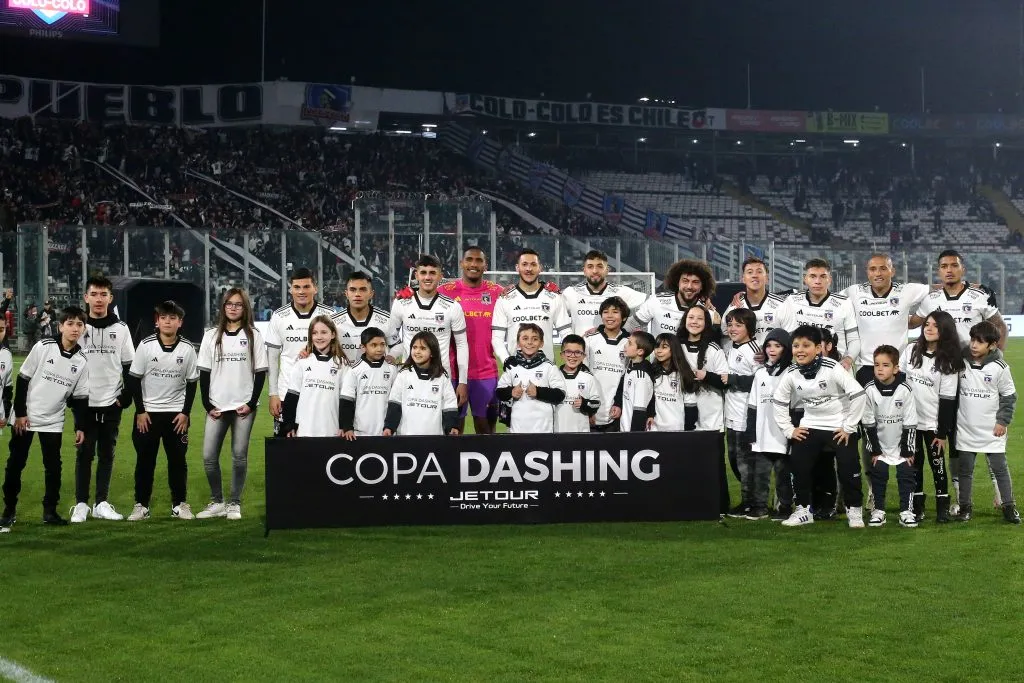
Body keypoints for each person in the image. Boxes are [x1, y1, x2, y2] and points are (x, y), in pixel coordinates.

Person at [0, 307, 90, 529]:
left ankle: (50, 511)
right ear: (60, 326)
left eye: (79, 324)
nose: (75, 328)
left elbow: (80, 398)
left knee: (53, 467)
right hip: (26, 417)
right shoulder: (44, 346)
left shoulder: (81, 360)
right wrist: (20, 413)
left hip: (53, 420)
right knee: (16, 464)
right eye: (70, 323)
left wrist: (80, 426)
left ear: (84, 329)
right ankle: (9, 511)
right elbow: (23, 379)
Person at [772, 325, 867, 528]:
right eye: (796, 345)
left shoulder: (833, 367)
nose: (800, 350)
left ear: (818, 348)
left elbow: (859, 394)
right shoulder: (791, 373)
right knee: (798, 465)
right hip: (811, 424)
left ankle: (854, 510)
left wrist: (849, 427)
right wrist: (789, 430)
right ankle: (803, 510)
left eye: (806, 345)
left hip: (839, 426)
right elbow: (778, 401)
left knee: (848, 468)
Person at [195, 288, 268, 521]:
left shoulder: (254, 335)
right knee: (209, 457)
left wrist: (251, 403)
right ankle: (217, 502)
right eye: (229, 304)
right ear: (223, 306)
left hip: (243, 407)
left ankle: (234, 503)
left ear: (245, 308)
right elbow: (204, 372)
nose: (233, 308)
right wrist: (207, 404)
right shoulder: (211, 335)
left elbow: (260, 372)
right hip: (217, 406)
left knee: (239, 456)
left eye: (238, 304)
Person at [125, 301, 199, 522]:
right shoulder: (146, 346)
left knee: (178, 461)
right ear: (157, 322)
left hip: (176, 415)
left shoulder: (187, 348)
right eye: (164, 318)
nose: (168, 322)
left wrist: (185, 413)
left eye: (173, 318)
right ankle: (141, 505)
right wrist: (140, 411)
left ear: (180, 322)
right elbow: (134, 379)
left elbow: (192, 382)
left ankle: (179, 504)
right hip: (148, 414)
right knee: (145, 461)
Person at [71, 274, 135, 524]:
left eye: (103, 294)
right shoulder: (78, 328)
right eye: (94, 294)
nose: (99, 299)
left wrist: (125, 397)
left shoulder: (121, 329)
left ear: (111, 298)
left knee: (107, 454)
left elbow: (129, 366)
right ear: (86, 297)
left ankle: (101, 503)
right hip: (84, 403)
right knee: (84, 454)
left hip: (111, 402)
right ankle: (81, 504)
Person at [953, 321, 1019, 523]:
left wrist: (1002, 422)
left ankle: (1009, 507)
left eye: (980, 342)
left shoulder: (1000, 367)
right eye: (973, 340)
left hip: (992, 429)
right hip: (965, 427)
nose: (974, 345)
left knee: (1000, 469)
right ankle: (965, 508)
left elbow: (1009, 396)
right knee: (965, 471)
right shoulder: (961, 362)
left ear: (992, 345)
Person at [902, 310, 962, 523]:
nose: (929, 328)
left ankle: (942, 508)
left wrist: (942, 433)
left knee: (938, 465)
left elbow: (947, 400)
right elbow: (900, 382)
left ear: (945, 330)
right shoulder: (911, 350)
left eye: (935, 325)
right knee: (914, 465)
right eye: (927, 324)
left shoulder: (949, 360)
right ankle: (917, 507)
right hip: (910, 422)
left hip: (933, 424)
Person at [438, 246, 505, 434]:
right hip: (452, 372)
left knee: (486, 431)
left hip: (485, 372)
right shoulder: (444, 291)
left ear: (485, 265)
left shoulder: (497, 292)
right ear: (462, 263)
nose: (473, 264)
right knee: (453, 429)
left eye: (478, 260)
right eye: (469, 260)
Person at [390, 255, 469, 409]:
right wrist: (392, 359)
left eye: (432, 273)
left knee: (440, 422)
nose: (427, 277)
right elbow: (390, 337)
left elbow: (461, 344)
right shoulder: (401, 303)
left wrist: (463, 382)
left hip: (440, 378)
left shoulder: (452, 307)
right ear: (416, 275)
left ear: (440, 276)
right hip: (409, 377)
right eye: (423, 272)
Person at [265, 268, 336, 437]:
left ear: (315, 288)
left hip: (320, 394)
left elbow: (337, 351)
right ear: (291, 289)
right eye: (297, 287)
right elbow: (272, 359)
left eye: (306, 286)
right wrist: (273, 394)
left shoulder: (330, 315)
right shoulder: (279, 316)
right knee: (284, 444)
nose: (301, 291)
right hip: (286, 392)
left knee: (317, 443)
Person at [842, 253, 930, 386]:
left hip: (898, 367)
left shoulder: (906, 290)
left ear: (892, 271)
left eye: (883, 268)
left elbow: (937, 290)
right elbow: (832, 302)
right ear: (867, 272)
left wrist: (922, 313)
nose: (878, 273)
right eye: (873, 269)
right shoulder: (854, 292)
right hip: (865, 367)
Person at [862, 345, 919, 528]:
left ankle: (906, 511)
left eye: (885, 365)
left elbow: (910, 422)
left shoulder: (905, 390)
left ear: (895, 369)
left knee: (906, 475)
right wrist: (875, 450)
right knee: (878, 475)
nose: (880, 369)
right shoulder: (869, 390)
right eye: (876, 365)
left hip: (901, 444)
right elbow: (868, 423)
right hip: (880, 446)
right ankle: (878, 511)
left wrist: (907, 450)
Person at [680, 305, 730, 514]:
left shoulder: (714, 349)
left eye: (699, 318)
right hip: (681, 417)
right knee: (684, 465)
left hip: (711, 417)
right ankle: (688, 504)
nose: (694, 321)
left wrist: (705, 376)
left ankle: (720, 506)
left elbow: (724, 381)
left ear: (706, 323)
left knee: (714, 466)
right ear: (684, 320)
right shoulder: (676, 346)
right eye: (691, 317)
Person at [491, 248, 571, 366]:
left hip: (547, 371)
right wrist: (507, 360)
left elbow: (566, 333)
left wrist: (570, 356)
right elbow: (497, 339)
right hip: (516, 370)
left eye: (533, 264)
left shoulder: (554, 298)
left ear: (540, 268)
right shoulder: (504, 299)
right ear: (517, 268)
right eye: (524, 264)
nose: (529, 269)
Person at [745, 328, 793, 521]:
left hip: (783, 435)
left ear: (786, 349)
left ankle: (785, 508)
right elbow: (753, 406)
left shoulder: (791, 373)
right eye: (768, 345)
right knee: (760, 475)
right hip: (763, 435)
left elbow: (796, 407)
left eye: (777, 346)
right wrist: (751, 433)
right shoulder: (760, 374)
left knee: (783, 476)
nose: (772, 349)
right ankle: (760, 508)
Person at [917, 250, 1007, 349]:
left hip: (972, 357)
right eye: (944, 266)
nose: (949, 270)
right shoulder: (930, 299)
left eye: (954, 265)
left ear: (963, 270)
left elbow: (1000, 325)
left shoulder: (980, 296)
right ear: (939, 271)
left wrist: (998, 353)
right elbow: (912, 323)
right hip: (941, 357)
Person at [780, 258, 859, 370]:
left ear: (829, 279)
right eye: (812, 276)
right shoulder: (792, 301)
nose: (817, 281)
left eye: (823, 276)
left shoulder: (844, 303)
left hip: (835, 367)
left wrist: (848, 359)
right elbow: (785, 337)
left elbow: (853, 339)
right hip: (801, 368)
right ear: (805, 279)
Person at [723, 308, 763, 517]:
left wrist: (733, 379)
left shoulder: (756, 351)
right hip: (730, 415)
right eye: (730, 324)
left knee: (746, 462)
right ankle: (750, 500)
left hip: (746, 416)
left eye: (738, 325)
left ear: (749, 328)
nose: (732, 329)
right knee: (734, 460)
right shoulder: (728, 346)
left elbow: (761, 381)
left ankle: (753, 503)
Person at [282, 315, 347, 438]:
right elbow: (292, 396)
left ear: (333, 335)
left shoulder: (342, 364)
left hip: (332, 430)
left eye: (324, 332)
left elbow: (346, 400)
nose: (319, 337)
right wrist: (290, 425)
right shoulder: (302, 362)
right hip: (305, 430)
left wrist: (344, 425)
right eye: (314, 333)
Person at [383, 331, 459, 436]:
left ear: (432, 353)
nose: (417, 351)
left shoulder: (442, 377)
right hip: (406, 437)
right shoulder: (403, 374)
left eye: (423, 348)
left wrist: (452, 426)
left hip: (434, 438)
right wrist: (389, 427)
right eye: (414, 347)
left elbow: (449, 404)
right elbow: (395, 403)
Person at [496, 324, 567, 434]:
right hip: (516, 429)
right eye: (525, 338)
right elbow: (499, 392)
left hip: (544, 430)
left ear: (541, 343)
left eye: (535, 339)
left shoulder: (549, 367)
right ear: (518, 343)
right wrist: (511, 391)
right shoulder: (512, 367)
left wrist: (538, 392)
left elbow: (560, 395)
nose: (530, 342)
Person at [562, 249, 647, 336]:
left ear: (607, 270)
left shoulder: (621, 292)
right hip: (581, 344)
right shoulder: (571, 293)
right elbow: (556, 314)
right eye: (590, 267)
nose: (595, 271)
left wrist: (631, 323)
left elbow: (650, 302)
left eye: (600, 266)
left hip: (614, 344)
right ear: (584, 271)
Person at [627, 258, 718, 336]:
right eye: (685, 281)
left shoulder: (708, 312)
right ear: (677, 282)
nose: (689, 286)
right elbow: (630, 325)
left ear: (702, 286)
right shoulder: (657, 301)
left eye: (695, 282)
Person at [332, 271, 401, 364]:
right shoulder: (333, 322)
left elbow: (397, 345)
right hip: (344, 372)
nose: (357, 294)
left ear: (371, 294)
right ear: (346, 294)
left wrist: (391, 356)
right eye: (352, 290)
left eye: (363, 289)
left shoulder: (386, 320)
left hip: (376, 373)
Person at [340, 327, 397, 439]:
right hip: (360, 434)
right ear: (363, 347)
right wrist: (347, 427)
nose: (379, 349)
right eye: (374, 345)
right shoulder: (354, 370)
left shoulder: (391, 369)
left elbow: (395, 402)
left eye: (382, 344)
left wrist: (391, 427)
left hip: (386, 433)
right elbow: (346, 401)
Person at [584, 297, 631, 433]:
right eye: (605, 312)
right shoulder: (589, 339)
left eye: (615, 312)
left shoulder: (629, 343)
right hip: (590, 410)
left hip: (615, 411)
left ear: (624, 317)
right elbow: (583, 375)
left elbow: (628, 377)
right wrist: (587, 408)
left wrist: (619, 403)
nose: (609, 316)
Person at [722, 257, 792, 345]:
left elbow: (791, 337)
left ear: (767, 278)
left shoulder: (782, 304)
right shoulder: (735, 306)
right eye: (750, 272)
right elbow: (725, 335)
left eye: (759, 272)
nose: (754, 275)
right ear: (743, 279)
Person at [650, 333, 698, 432]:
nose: (659, 350)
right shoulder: (651, 372)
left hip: (677, 430)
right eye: (657, 346)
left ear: (674, 349)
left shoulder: (684, 374)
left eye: (664, 347)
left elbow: (690, 406)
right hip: (654, 429)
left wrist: (688, 431)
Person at [554, 334, 602, 434]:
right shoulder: (554, 376)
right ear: (562, 354)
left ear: (584, 356)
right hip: (557, 431)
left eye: (577, 352)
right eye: (568, 352)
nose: (573, 356)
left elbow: (597, 403)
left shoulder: (588, 377)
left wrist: (584, 403)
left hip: (581, 433)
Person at [614, 330, 656, 432]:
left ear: (640, 352)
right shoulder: (631, 365)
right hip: (624, 429)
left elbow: (639, 411)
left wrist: (634, 436)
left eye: (629, 343)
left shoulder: (641, 376)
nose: (625, 345)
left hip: (632, 432)